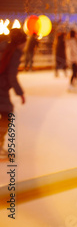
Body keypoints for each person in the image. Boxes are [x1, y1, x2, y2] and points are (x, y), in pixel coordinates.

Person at [0, 29, 26, 159]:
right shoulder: (14, 53)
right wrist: (20, 93)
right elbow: (12, 77)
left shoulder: (3, 47)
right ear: (21, 43)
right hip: (1, 88)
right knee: (7, 115)